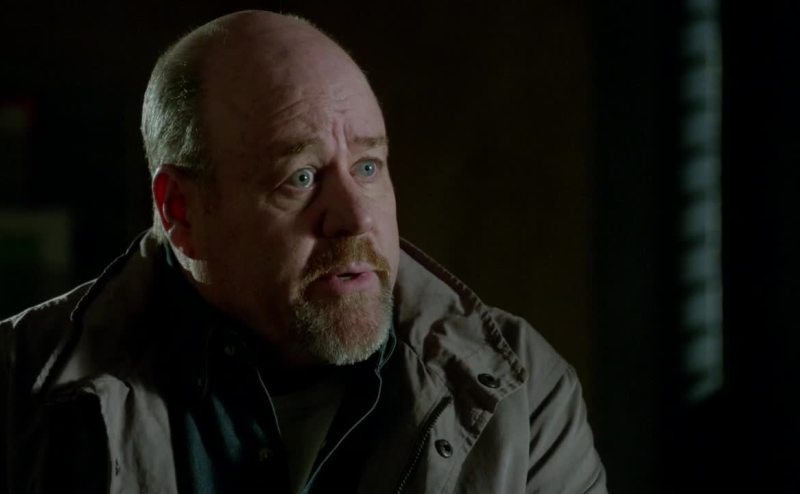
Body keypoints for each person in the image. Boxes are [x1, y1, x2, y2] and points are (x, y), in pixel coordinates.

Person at [0, 10, 607, 494]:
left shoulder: (521, 396)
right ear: (181, 212)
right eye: (301, 178)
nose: (356, 218)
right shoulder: (16, 387)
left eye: (368, 166)